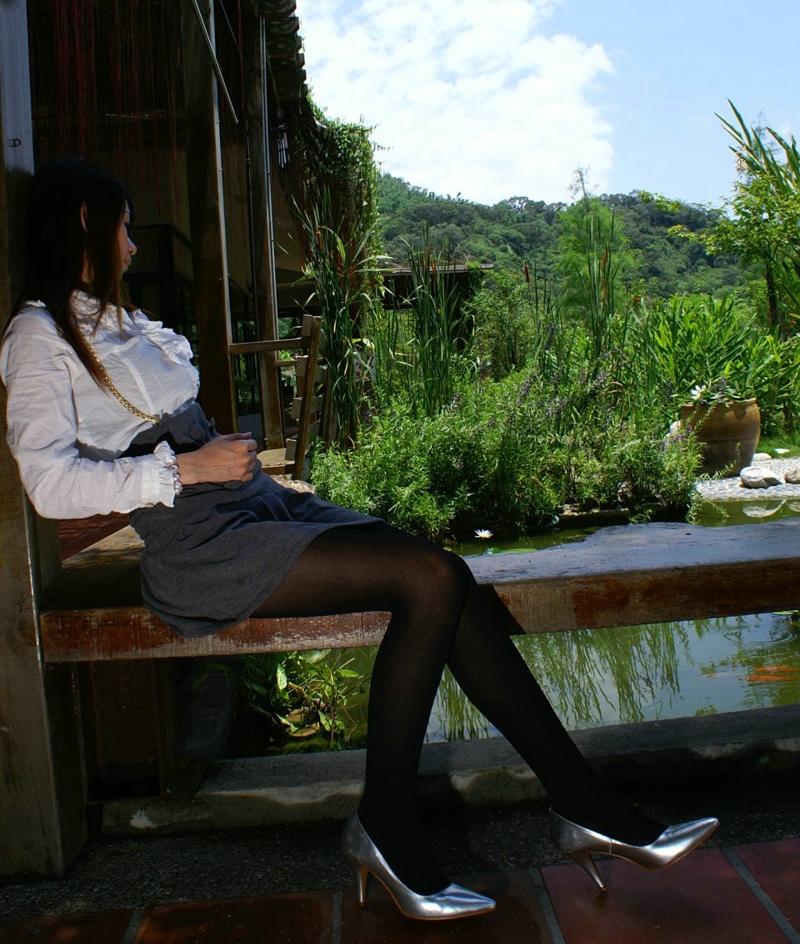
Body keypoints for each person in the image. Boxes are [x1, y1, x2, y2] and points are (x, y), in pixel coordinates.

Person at [1, 160, 718, 920]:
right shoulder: (37, 336)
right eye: (123, 228)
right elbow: (48, 484)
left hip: (254, 503)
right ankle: (429, 822)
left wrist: (242, 474)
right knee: (430, 579)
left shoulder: (111, 320)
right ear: (85, 223)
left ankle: (573, 806)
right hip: (198, 544)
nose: (133, 245)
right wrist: (185, 467)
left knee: (446, 577)